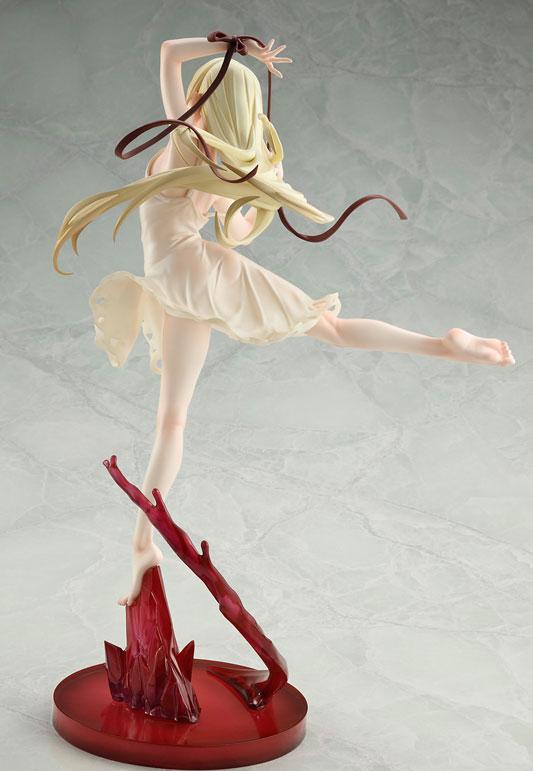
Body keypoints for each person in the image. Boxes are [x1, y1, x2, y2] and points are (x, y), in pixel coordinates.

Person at [53, 35, 515, 607]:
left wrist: (227, 47)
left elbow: (170, 52)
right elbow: (236, 232)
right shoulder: (213, 158)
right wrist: (257, 185)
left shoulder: (185, 139)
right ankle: (143, 546)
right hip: (187, 286)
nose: (192, 98)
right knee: (199, 406)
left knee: (178, 419)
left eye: (199, 93)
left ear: (205, 101)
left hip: (185, 277)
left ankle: (445, 344)